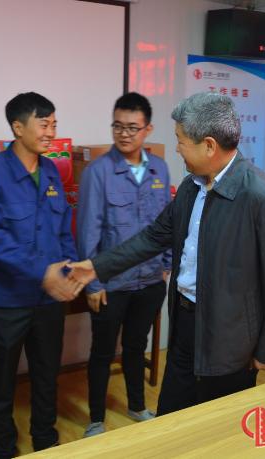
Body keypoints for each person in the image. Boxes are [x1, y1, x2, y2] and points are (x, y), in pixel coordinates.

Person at [68, 92, 265, 416]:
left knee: (218, 427)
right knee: (171, 418)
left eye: (180, 140)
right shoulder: (192, 186)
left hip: (230, 337)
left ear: (209, 145)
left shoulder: (263, 198)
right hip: (185, 323)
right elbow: (153, 236)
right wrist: (96, 267)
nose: (176, 148)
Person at [0, 92, 82, 458]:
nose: (51, 132)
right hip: (7, 301)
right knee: (2, 381)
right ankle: (2, 448)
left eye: (54, 124)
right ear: (18, 128)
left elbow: (63, 229)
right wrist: (42, 272)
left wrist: (69, 269)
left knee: (47, 375)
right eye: (43, 124)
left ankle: (45, 441)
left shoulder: (51, 171)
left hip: (48, 300)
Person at [76, 92, 170, 437]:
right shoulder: (97, 172)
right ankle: (96, 419)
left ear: (147, 129)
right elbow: (88, 231)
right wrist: (93, 283)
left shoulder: (159, 168)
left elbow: (167, 222)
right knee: (102, 352)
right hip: (111, 284)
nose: (124, 134)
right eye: (118, 126)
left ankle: (137, 406)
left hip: (150, 281)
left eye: (132, 127)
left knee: (136, 346)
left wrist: (166, 264)